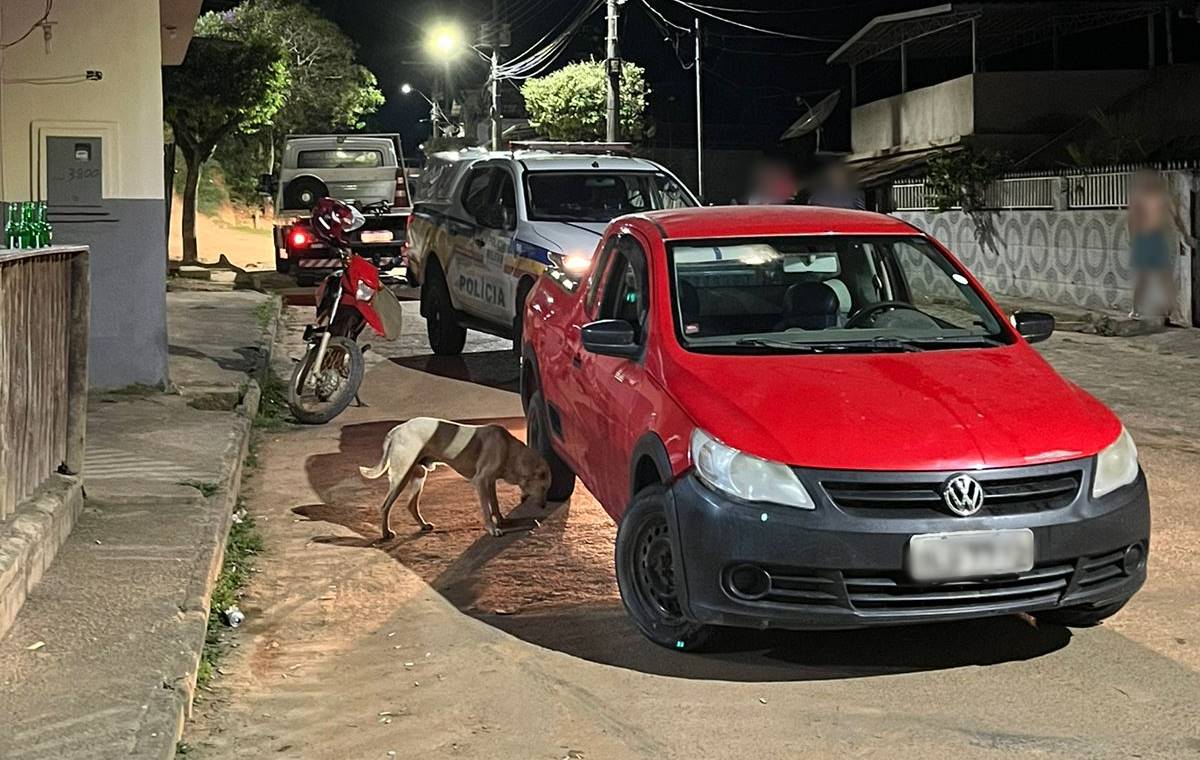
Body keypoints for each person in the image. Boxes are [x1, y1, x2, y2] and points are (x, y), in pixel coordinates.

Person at [1127, 170, 1195, 323]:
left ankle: (1172, 311)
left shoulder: (1164, 198)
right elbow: (1132, 219)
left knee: (1165, 276)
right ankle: (1136, 309)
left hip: (1157, 238)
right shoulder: (1139, 197)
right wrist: (1133, 239)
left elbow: (1176, 218)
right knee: (1143, 277)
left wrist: (1185, 236)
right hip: (1143, 239)